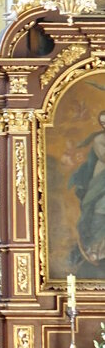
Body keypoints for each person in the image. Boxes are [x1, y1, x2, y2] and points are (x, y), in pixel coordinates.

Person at [68, 110, 105, 270]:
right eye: (103, 123)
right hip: (101, 182)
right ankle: (95, 248)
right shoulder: (99, 139)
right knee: (98, 209)